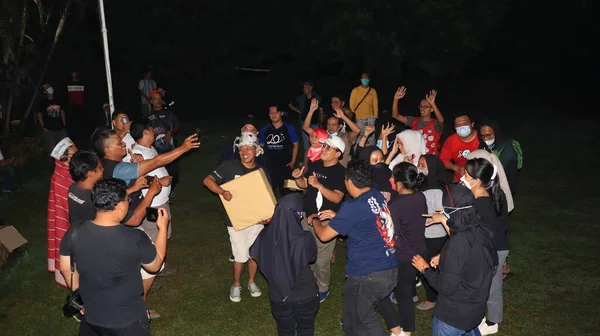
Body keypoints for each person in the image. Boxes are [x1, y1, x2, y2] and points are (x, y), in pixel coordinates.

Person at [59, 178, 169, 335]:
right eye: (127, 200)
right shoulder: (134, 237)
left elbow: (66, 268)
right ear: (119, 205)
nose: (128, 203)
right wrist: (162, 228)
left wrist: (78, 295)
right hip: (128, 320)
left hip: (92, 316)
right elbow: (155, 264)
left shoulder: (74, 231)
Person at [309, 161, 397, 335]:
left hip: (367, 275)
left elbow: (324, 235)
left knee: (355, 324)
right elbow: (367, 223)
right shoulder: (376, 195)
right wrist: (340, 217)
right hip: (389, 269)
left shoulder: (353, 206)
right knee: (365, 316)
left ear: (348, 181)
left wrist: (314, 220)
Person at [412, 184, 497, 336]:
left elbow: (445, 287)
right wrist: (444, 256)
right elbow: (463, 242)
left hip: (453, 317)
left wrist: (424, 268)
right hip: (475, 310)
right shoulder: (481, 229)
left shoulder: (456, 245)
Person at [203, 133, 271, 302]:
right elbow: (208, 180)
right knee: (240, 255)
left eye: (248, 148)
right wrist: (222, 191)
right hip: (236, 221)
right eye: (241, 149)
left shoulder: (261, 171)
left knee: (254, 254)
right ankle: (235, 284)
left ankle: (251, 282)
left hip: (256, 221)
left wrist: (267, 217)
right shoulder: (229, 166)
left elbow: (267, 197)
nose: (244, 152)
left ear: (257, 150)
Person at [250, 193, 319, 336]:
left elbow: (255, 254)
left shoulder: (264, 235)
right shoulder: (304, 238)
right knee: (306, 329)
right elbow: (312, 258)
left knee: (284, 331)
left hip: (278, 295)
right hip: (305, 293)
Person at [291, 136, 346, 303]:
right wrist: (298, 178)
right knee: (305, 251)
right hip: (308, 217)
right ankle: (309, 278)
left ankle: (323, 287)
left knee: (322, 259)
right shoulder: (315, 165)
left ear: (338, 153)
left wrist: (319, 185)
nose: (323, 149)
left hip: (326, 221)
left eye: (328, 148)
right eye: (324, 146)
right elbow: (304, 186)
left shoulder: (341, 173)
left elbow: (337, 198)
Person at [377, 163, 427, 336]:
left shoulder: (395, 204)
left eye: (393, 177)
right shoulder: (421, 197)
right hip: (418, 251)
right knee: (404, 292)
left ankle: (401, 330)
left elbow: (393, 235)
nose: (390, 180)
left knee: (390, 291)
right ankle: (407, 330)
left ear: (399, 183)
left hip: (402, 256)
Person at [462, 158, 510, 336]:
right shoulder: (494, 194)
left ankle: (493, 322)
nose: (463, 177)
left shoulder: (482, 202)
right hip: (494, 247)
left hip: (494, 249)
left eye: (466, 175)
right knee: (484, 285)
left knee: (492, 287)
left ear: (477, 180)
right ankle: (482, 317)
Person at [68, 150, 162, 228]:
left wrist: (133, 188)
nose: (103, 170)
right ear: (90, 173)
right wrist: (151, 192)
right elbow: (135, 220)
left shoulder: (74, 188)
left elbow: (108, 197)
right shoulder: (94, 200)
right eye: (100, 168)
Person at [415, 154, 448, 311]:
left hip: (433, 235)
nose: (420, 168)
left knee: (427, 266)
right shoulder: (424, 184)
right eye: (419, 164)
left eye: (423, 165)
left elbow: (440, 213)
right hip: (426, 233)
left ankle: (432, 298)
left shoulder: (436, 190)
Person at [47, 137, 77, 287]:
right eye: (74, 154)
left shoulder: (70, 172)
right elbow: (62, 206)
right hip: (67, 220)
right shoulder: (59, 177)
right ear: (64, 157)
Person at [303, 100, 361, 167]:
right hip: (322, 170)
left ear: (340, 126)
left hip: (339, 172)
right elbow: (306, 128)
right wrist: (311, 111)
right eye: (329, 124)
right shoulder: (323, 136)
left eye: (334, 124)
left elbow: (357, 131)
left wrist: (343, 117)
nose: (331, 127)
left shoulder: (345, 137)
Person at [259, 104, 299, 196]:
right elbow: (261, 146)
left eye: (276, 112)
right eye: (271, 112)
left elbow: (296, 145)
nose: (273, 115)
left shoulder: (289, 128)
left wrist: (293, 162)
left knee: (285, 192)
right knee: (268, 191)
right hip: (269, 165)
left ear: (281, 113)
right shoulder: (265, 129)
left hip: (285, 164)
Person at [392, 86, 444, 155]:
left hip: (431, 158)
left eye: (426, 107)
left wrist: (433, 104)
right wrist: (396, 99)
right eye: (421, 106)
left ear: (432, 109)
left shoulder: (435, 124)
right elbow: (395, 116)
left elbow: (441, 120)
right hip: (415, 156)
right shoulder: (413, 121)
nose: (422, 109)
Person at [147, 89, 181, 195]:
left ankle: (172, 189)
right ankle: (162, 191)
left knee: (174, 171)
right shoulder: (148, 117)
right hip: (156, 150)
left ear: (162, 100)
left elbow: (177, 127)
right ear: (151, 101)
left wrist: (170, 132)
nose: (157, 101)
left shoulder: (169, 114)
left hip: (171, 148)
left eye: (159, 98)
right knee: (160, 171)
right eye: (154, 99)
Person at [478, 120, 522, 193]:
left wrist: (508, 192)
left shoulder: (508, 148)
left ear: (495, 132)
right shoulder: (482, 145)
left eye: (488, 135)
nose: (486, 138)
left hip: (503, 186)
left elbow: (511, 175)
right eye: (483, 136)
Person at [439, 114, 480, 181]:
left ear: (472, 124)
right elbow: (443, 160)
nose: (461, 127)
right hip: (460, 180)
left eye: (464, 123)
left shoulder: (481, 137)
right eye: (458, 125)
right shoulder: (451, 140)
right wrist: (456, 168)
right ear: (455, 128)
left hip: (481, 179)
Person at [288, 81, 324, 152]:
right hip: (304, 122)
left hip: (315, 122)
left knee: (317, 141)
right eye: (304, 87)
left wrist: (321, 121)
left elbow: (321, 111)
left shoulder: (317, 98)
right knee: (306, 142)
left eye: (306, 87)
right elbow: (290, 104)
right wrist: (297, 111)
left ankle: (315, 157)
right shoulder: (300, 98)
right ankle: (306, 160)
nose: (304, 89)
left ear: (311, 88)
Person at [349, 73, 379, 146]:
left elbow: (375, 105)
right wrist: (353, 115)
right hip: (359, 119)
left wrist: (375, 117)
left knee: (370, 138)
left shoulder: (373, 91)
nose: (364, 80)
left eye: (366, 78)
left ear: (369, 80)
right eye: (363, 78)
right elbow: (351, 105)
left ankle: (370, 154)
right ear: (360, 80)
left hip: (370, 119)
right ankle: (358, 154)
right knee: (359, 137)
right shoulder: (355, 90)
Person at [38, 84, 67, 157]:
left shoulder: (59, 100)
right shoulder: (42, 102)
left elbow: (62, 112)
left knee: (65, 149)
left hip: (60, 129)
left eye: (50, 86)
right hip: (49, 130)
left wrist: (64, 124)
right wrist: (43, 126)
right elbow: (39, 114)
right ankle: (53, 166)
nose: (50, 88)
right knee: (52, 151)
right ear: (44, 92)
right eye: (47, 88)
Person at [66, 69, 86, 141]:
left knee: (80, 122)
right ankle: (73, 137)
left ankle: (80, 137)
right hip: (72, 105)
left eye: (75, 72)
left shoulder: (82, 83)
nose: (74, 74)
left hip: (80, 105)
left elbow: (84, 94)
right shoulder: (68, 83)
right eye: (73, 73)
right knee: (72, 122)